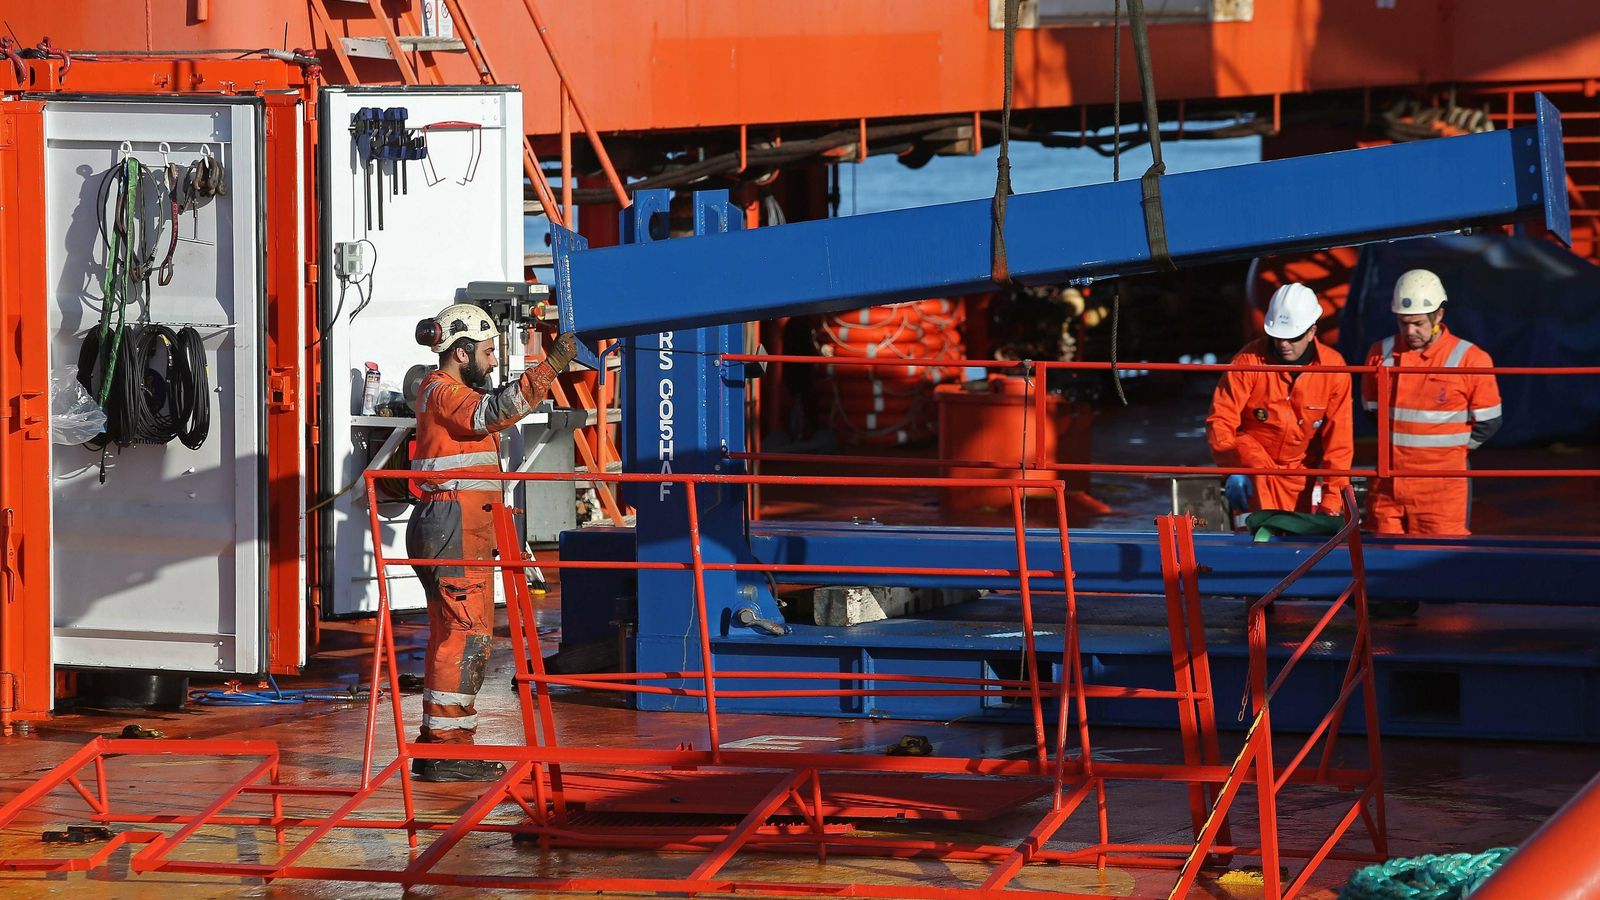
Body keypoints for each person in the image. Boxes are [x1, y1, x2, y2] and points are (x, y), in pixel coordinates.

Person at [407, 303, 577, 781]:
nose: (493, 362)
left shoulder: (440, 391)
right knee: (464, 636)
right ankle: (447, 750)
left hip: (458, 525)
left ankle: (441, 743)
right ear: (460, 352)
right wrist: (551, 367)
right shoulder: (445, 392)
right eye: (486, 352)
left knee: (457, 634)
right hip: (454, 526)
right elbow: (493, 412)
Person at [1360, 269, 1502, 535]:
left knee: (1438, 563)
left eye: (1418, 323)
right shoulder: (1379, 354)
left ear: (1438, 315)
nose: (1410, 331)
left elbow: (1490, 421)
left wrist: (1451, 450)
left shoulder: (1471, 359)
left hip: (1441, 491)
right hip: (1387, 488)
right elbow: (1371, 411)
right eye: (1403, 323)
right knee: (1383, 562)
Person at [1207, 282, 1353, 519]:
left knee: (1296, 542)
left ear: (1311, 332)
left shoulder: (1334, 370)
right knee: (1258, 534)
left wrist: (1332, 498)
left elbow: (1339, 441)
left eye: (1292, 337)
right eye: (1276, 337)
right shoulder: (1247, 362)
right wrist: (1232, 468)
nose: (1283, 344)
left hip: (1300, 471)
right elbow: (1221, 419)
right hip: (1251, 465)